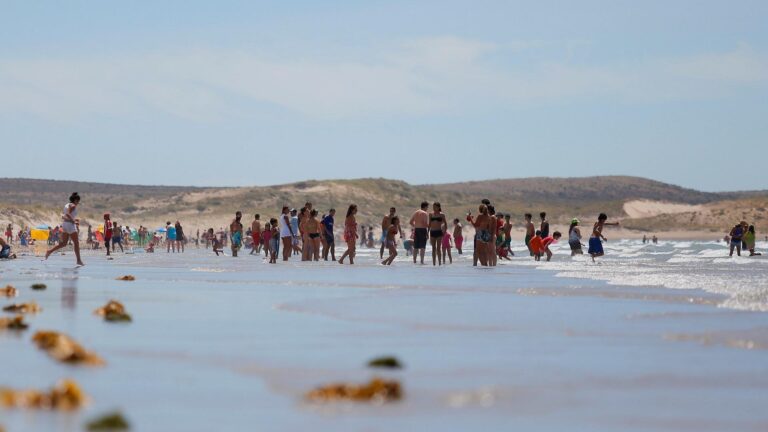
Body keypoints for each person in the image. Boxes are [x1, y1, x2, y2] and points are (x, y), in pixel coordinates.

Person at [45, 192, 84, 266]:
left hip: (65, 224)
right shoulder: (73, 206)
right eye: (78, 201)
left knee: (63, 243)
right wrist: (73, 221)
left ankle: (49, 251)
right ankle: (78, 260)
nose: (78, 203)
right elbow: (68, 214)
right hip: (70, 225)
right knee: (76, 243)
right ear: (75, 200)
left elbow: (64, 216)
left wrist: (72, 220)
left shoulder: (66, 205)